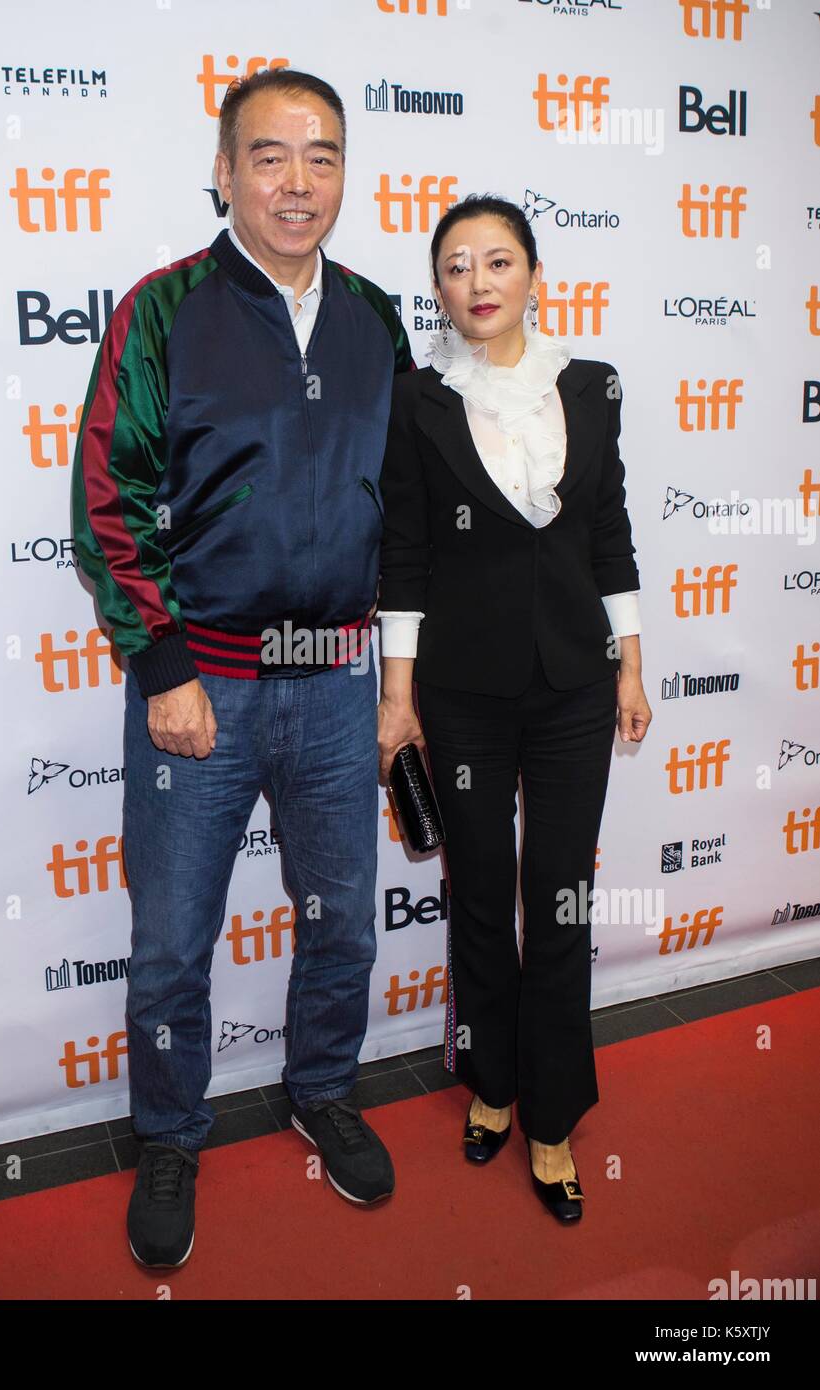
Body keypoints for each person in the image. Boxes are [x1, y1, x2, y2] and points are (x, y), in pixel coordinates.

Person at [71, 68, 413, 1269]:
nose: (296, 181)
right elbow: (108, 498)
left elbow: (405, 513)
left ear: (343, 174)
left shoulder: (378, 316)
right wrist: (163, 665)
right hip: (198, 688)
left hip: (335, 688)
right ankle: (169, 1132)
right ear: (223, 172)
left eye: (321, 156)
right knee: (171, 941)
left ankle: (323, 1088)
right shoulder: (162, 310)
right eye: (269, 155)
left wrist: (398, 680)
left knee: (345, 928)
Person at [376, 193, 652, 1224]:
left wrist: (629, 663)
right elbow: (402, 552)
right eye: (457, 266)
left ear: (534, 273)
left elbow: (609, 529)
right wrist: (396, 696)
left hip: (577, 686)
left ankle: (553, 1112)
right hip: (462, 694)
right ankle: (491, 1081)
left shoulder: (588, 386)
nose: (478, 283)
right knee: (483, 895)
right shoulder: (417, 401)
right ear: (438, 286)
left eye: (498, 261)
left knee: (563, 900)